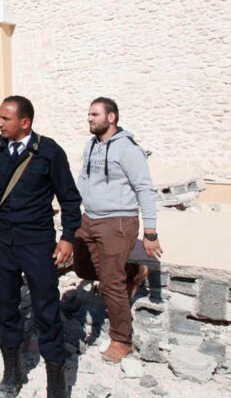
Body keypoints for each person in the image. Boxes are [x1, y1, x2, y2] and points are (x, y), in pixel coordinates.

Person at [0, 96, 80, 398]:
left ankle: (56, 379)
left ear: (25, 123)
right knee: (5, 305)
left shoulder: (49, 152)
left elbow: (69, 199)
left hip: (37, 241)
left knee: (46, 307)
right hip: (1, 242)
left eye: (6, 118)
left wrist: (68, 237)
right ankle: (13, 370)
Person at [73, 97, 162, 364]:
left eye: (95, 114)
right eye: (88, 113)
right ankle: (133, 272)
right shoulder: (91, 145)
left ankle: (122, 339)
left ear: (111, 117)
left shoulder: (128, 149)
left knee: (110, 282)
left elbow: (145, 188)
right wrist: (70, 207)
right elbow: (84, 178)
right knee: (83, 269)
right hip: (89, 219)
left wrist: (150, 232)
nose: (89, 118)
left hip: (118, 221)